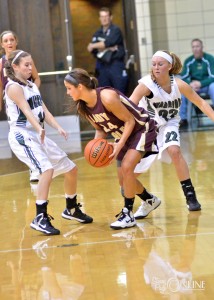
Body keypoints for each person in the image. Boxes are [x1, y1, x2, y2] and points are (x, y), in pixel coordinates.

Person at [4, 50, 93, 235]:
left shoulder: (31, 85)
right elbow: (27, 111)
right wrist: (38, 128)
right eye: (26, 65)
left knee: (71, 169)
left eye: (31, 64)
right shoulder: (13, 87)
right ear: (15, 67)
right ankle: (40, 217)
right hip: (22, 135)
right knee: (46, 169)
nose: (30, 68)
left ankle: (71, 208)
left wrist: (58, 127)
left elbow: (44, 110)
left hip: (37, 134)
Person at [64, 68, 159, 230]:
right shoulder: (83, 107)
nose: (67, 93)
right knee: (123, 181)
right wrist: (95, 148)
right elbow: (100, 129)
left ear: (80, 86)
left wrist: (118, 145)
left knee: (127, 167)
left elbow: (130, 121)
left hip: (141, 128)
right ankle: (149, 200)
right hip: (121, 135)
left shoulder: (107, 97)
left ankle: (127, 214)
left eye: (69, 88)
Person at [129, 50, 214, 217]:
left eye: (160, 64)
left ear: (170, 66)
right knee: (128, 176)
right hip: (148, 128)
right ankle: (148, 200)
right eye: (154, 64)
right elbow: (128, 106)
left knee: (175, 151)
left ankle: (190, 196)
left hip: (169, 124)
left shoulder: (179, 84)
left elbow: (201, 103)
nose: (156, 67)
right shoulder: (146, 85)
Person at [0, 30, 41, 182]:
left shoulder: (25, 58)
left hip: (27, 99)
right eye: (6, 40)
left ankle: (37, 166)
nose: (9, 43)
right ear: (2, 44)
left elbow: (36, 78)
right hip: (11, 102)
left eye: (12, 39)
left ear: (16, 41)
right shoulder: (1, 62)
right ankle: (33, 165)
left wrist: (32, 91)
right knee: (20, 134)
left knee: (33, 129)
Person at [87, 7, 128, 94]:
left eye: (106, 16)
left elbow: (107, 43)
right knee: (104, 93)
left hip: (115, 65)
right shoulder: (98, 32)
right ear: (99, 18)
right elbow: (91, 50)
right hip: (102, 67)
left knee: (120, 94)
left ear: (111, 17)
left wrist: (97, 45)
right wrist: (109, 47)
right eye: (102, 16)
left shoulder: (116, 30)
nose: (104, 19)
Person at [179, 38, 214, 127]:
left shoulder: (209, 59)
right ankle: (183, 119)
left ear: (202, 47)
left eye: (197, 46)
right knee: (183, 90)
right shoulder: (188, 61)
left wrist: (200, 84)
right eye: (193, 47)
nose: (195, 48)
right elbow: (184, 76)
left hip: (206, 85)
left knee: (213, 87)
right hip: (193, 86)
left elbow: (212, 76)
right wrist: (190, 83)